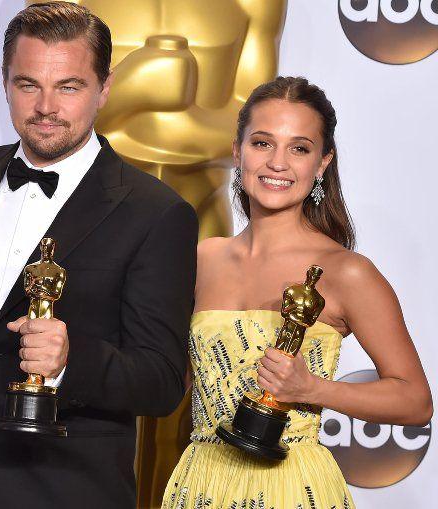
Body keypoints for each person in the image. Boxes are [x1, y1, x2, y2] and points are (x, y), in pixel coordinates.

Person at [0, 2, 198, 507]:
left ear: (104, 88)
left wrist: (72, 360)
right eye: (28, 84)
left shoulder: (156, 212)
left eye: (68, 86)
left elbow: (162, 382)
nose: (46, 106)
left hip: (66, 488)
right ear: (4, 82)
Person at [162, 76, 433, 508]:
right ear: (238, 150)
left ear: (322, 163)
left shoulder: (347, 272)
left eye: (299, 148)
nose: (278, 163)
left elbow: (415, 401)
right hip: (200, 482)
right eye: (263, 143)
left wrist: (311, 389)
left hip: (292, 486)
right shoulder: (201, 259)